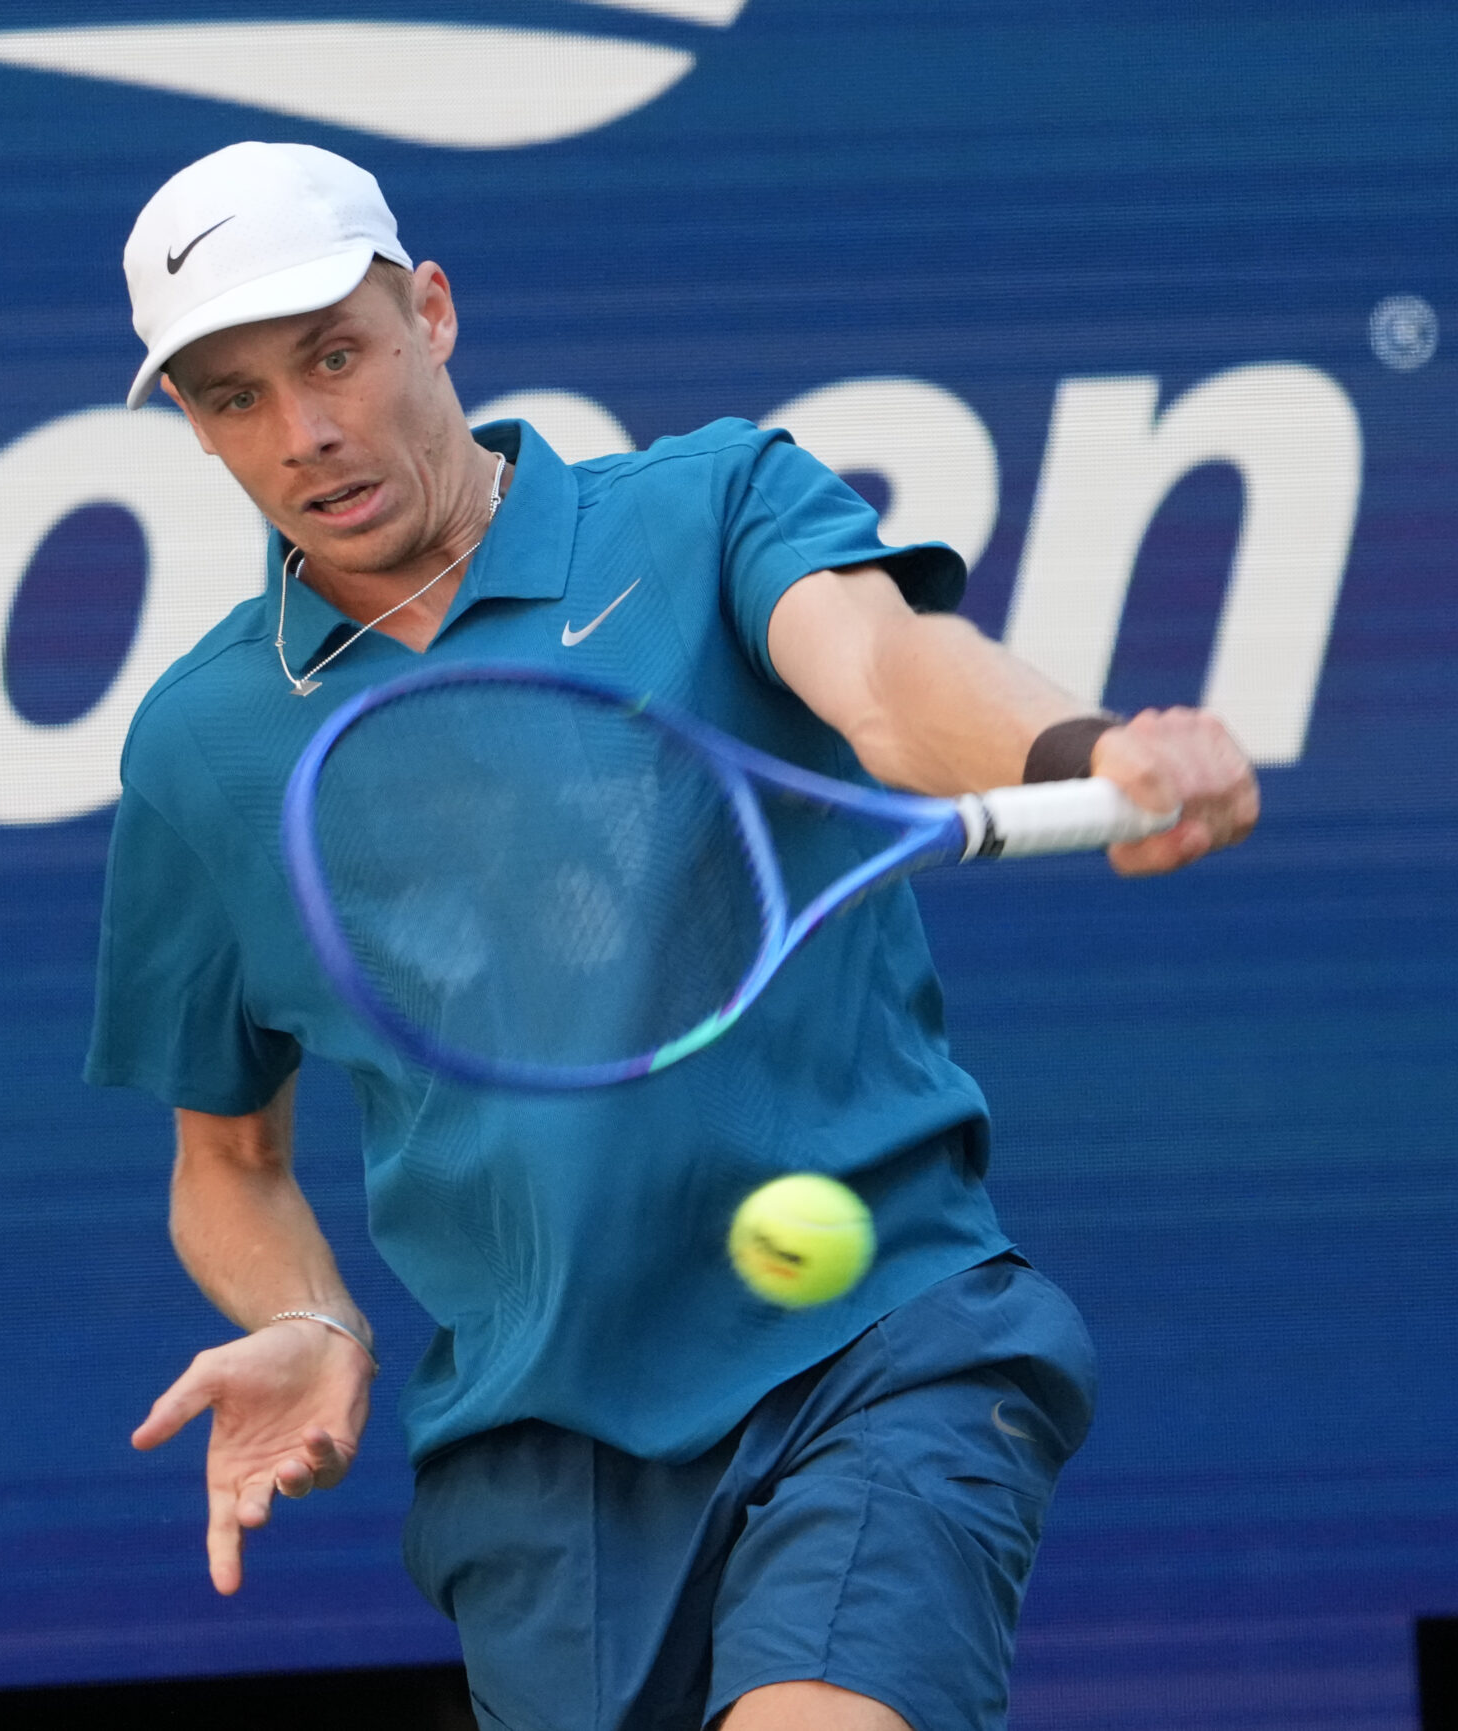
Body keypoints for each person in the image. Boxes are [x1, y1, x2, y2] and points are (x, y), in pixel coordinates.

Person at [84, 142, 1257, 1731]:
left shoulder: (706, 506)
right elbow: (228, 1161)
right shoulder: (205, 744)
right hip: (541, 1470)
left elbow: (888, 677)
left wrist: (1076, 750)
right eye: (234, 398)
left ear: (431, 314)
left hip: (875, 1346)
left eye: (335, 356)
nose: (304, 433)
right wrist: (305, 1316)